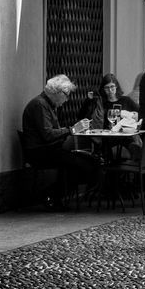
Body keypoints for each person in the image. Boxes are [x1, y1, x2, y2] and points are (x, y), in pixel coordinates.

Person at [21, 75, 101, 209]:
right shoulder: (40, 104)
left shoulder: (48, 105)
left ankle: (54, 196)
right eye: (66, 95)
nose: (67, 99)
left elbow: (53, 132)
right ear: (57, 93)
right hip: (40, 151)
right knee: (83, 164)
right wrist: (72, 130)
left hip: (48, 149)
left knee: (89, 161)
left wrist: (70, 131)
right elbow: (48, 134)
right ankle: (50, 194)